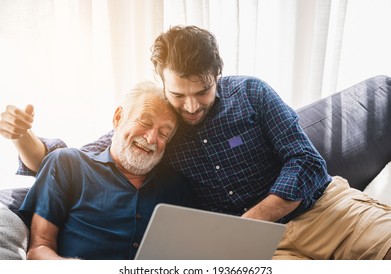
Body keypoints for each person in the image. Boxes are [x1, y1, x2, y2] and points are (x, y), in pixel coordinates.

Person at [1, 25, 391, 260]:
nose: (190, 107)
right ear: (162, 81)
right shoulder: (160, 124)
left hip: (326, 212)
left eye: (202, 91)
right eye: (178, 95)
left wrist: (250, 223)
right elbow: (72, 159)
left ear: (217, 74)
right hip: (262, 250)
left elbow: (306, 162)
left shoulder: (251, 93)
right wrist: (23, 135)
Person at [17, 81, 193, 259]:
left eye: (163, 134)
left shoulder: (176, 186)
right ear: (118, 118)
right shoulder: (67, 164)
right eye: (145, 122)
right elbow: (38, 249)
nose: (151, 138)